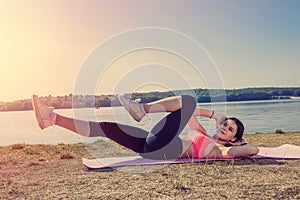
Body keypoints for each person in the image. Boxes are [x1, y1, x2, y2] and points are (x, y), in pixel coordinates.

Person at [31, 94, 259, 160]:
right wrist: (215, 117)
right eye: (225, 123)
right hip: (151, 144)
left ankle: (144, 109)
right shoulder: (200, 133)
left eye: (229, 130)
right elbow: (189, 111)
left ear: (233, 139)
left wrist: (238, 145)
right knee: (108, 127)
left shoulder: (222, 150)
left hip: (162, 147)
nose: (223, 128)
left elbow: (252, 150)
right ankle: (51, 119)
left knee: (188, 101)